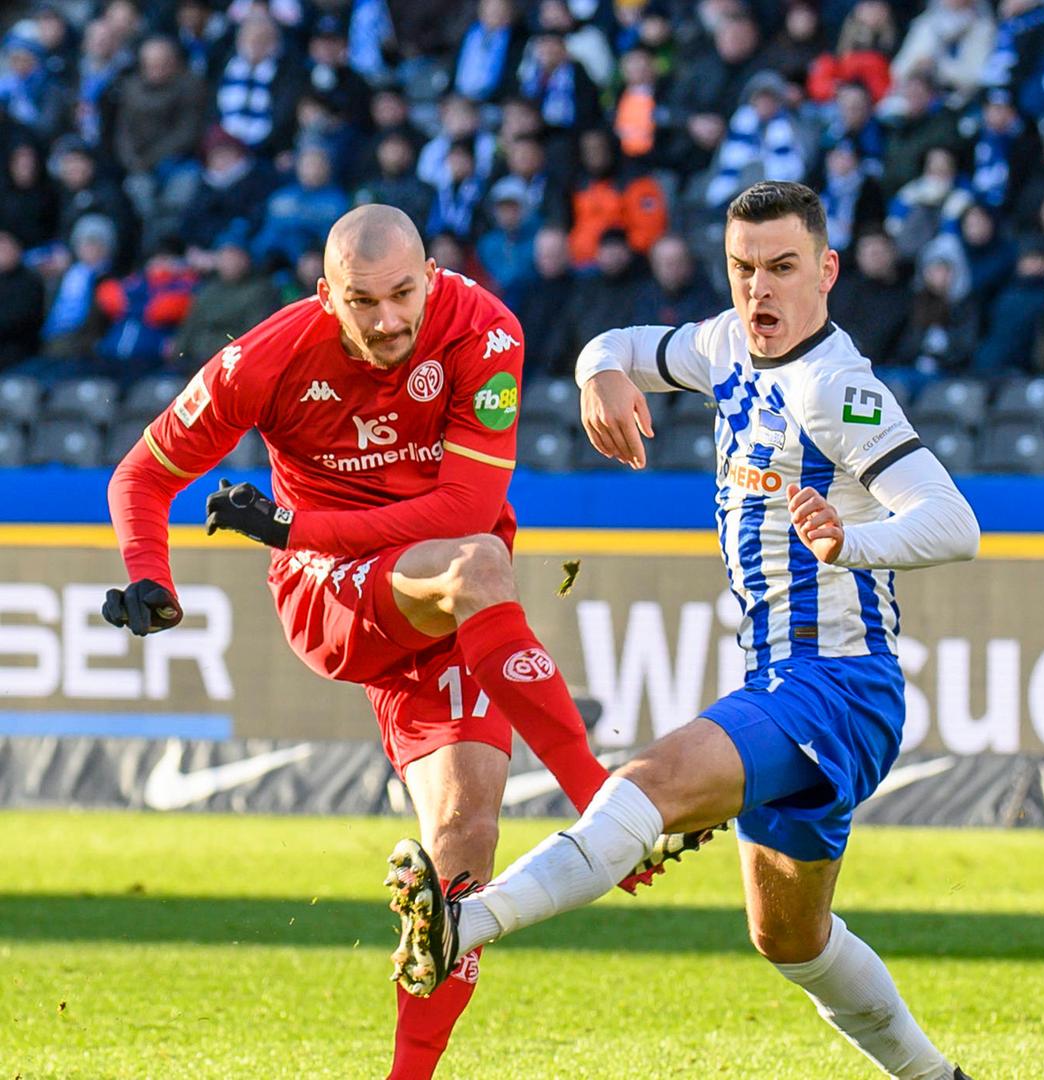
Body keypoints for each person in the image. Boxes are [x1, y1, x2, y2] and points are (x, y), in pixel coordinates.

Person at [382, 181, 981, 1080]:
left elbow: (955, 523)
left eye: (783, 269)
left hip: (839, 683)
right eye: (743, 269)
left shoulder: (837, 389)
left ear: (827, 271)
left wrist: (851, 540)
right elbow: (614, 343)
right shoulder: (725, 346)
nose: (759, 291)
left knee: (646, 781)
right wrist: (602, 377)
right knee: (792, 940)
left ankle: (467, 921)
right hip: (778, 680)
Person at [101, 205, 668, 1080]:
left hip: (425, 594)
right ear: (327, 295)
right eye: (364, 302)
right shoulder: (269, 355)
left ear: (432, 276)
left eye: (404, 293)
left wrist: (294, 525)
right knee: (482, 566)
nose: (389, 319)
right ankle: (604, 805)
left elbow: (464, 510)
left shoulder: (486, 331)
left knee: (464, 844)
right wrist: (152, 576)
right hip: (332, 592)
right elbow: (144, 473)